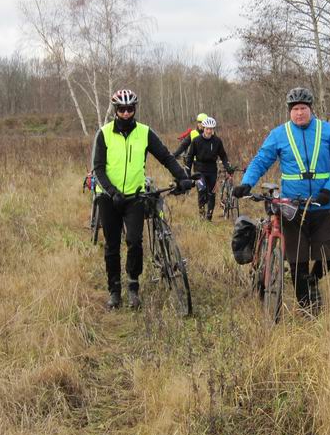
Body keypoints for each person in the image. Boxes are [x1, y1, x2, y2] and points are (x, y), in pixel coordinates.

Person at [233, 87, 330, 315]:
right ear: (289, 111)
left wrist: (328, 189)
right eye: (295, 109)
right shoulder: (279, 134)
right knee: (298, 261)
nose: (299, 113)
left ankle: (313, 281)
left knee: (329, 257)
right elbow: (260, 160)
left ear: (311, 109)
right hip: (292, 207)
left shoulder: (329, 132)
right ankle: (308, 309)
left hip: (322, 205)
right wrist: (247, 182)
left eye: (303, 108)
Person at [91, 89, 194, 309]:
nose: (126, 113)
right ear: (115, 111)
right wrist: (111, 191)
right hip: (109, 198)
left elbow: (166, 157)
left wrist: (182, 177)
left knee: (135, 241)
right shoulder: (104, 133)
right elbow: (98, 168)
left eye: (130, 109)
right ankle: (114, 291)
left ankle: (133, 286)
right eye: (122, 109)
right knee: (112, 245)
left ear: (135, 109)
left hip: (135, 197)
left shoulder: (145, 133)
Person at [184, 116, 233, 221]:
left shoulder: (217, 141)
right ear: (203, 128)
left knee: (211, 194)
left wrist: (228, 167)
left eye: (211, 129)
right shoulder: (196, 141)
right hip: (199, 170)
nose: (209, 131)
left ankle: (209, 217)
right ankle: (201, 214)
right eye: (207, 129)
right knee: (202, 190)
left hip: (212, 170)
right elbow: (190, 156)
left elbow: (223, 155)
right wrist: (187, 171)